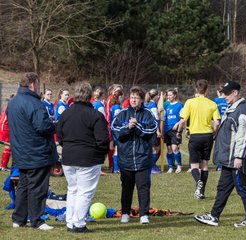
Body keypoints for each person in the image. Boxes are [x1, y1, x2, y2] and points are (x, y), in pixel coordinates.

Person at [194, 81, 246, 227]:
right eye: (223, 93)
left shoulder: (242, 111)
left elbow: (243, 137)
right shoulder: (232, 108)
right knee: (222, 187)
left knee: (242, 188)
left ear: (235, 93)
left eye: (227, 93)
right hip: (227, 160)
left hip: (235, 159)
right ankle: (214, 216)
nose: (224, 96)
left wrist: (239, 157)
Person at [6, 72, 57, 230]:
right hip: (36, 151)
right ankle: (37, 220)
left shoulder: (12, 102)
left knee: (23, 185)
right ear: (33, 84)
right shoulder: (34, 103)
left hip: (20, 151)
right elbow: (42, 126)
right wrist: (54, 125)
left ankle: (18, 218)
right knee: (38, 187)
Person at [56, 82, 109, 233]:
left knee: (73, 190)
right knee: (84, 192)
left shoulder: (66, 113)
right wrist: (100, 153)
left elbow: (59, 135)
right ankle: (78, 223)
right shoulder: (95, 115)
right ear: (90, 96)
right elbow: (103, 140)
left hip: (68, 157)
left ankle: (71, 221)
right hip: (88, 158)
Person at [111, 86, 157, 224]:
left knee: (143, 188)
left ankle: (144, 214)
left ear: (142, 99)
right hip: (126, 159)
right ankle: (125, 212)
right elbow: (114, 130)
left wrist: (136, 126)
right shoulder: (122, 113)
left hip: (143, 159)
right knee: (126, 188)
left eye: (136, 98)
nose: (133, 100)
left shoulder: (148, 114)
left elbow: (152, 130)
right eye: (131, 97)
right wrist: (127, 128)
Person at [177, 79, 221, 199]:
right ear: (207, 90)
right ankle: (201, 192)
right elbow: (217, 123)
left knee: (194, 166)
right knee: (205, 165)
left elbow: (182, 121)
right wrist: (214, 133)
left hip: (195, 136)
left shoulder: (190, 102)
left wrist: (179, 132)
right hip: (207, 136)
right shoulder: (212, 104)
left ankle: (198, 182)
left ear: (196, 89)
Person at [164, 88, 184, 173]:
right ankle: (171, 167)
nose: (168, 97)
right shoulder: (166, 105)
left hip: (175, 130)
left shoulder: (179, 105)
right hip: (166, 130)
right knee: (169, 149)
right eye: (167, 95)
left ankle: (179, 165)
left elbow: (183, 118)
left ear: (174, 95)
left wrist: (177, 124)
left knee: (175, 148)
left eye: (170, 95)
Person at [144, 89, 162, 174]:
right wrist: (158, 130)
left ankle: (151, 166)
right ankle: (151, 166)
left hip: (146, 129)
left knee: (151, 148)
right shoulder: (153, 106)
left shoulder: (146, 104)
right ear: (155, 97)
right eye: (158, 95)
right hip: (153, 130)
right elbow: (155, 119)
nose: (159, 97)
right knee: (156, 149)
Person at [213, 85, 228, 171]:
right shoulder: (228, 100)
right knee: (226, 145)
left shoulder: (215, 100)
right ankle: (225, 163)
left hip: (218, 125)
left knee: (218, 146)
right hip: (227, 124)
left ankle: (219, 165)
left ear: (218, 92)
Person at [0, 94, 14, 171]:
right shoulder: (10, 107)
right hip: (5, 128)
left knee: (8, 147)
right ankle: (3, 166)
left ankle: (3, 165)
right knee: (8, 147)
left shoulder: (7, 106)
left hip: (3, 127)